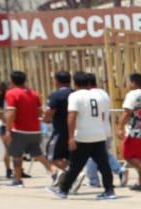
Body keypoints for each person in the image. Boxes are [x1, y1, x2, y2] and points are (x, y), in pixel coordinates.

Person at [49, 71, 116, 200]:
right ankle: (109, 190)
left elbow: (72, 116)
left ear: (75, 83)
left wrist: (70, 137)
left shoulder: (75, 96)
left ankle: (63, 190)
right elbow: (102, 116)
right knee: (104, 165)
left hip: (83, 136)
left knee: (75, 165)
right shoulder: (98, 96)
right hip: (98, 135)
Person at [4, 70, 55, 186]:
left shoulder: (11, 93)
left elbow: (11, 112)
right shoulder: (34, 94)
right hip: (35, 129)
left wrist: (8, 130)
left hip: (19, 130)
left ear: (11, 80)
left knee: (16, 155)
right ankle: (53, 171)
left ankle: (17, 179)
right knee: (38, 153)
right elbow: (39, 112)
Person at [45, 71, 74, 173]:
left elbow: (49, 111)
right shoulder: (74, 93)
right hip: (75, 131)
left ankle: (70, 173)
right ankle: (69, 178)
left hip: (60, 131)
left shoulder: (56, 95)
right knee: (67, 157)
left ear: (57, 81)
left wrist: (46, 119)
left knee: (51, 157)